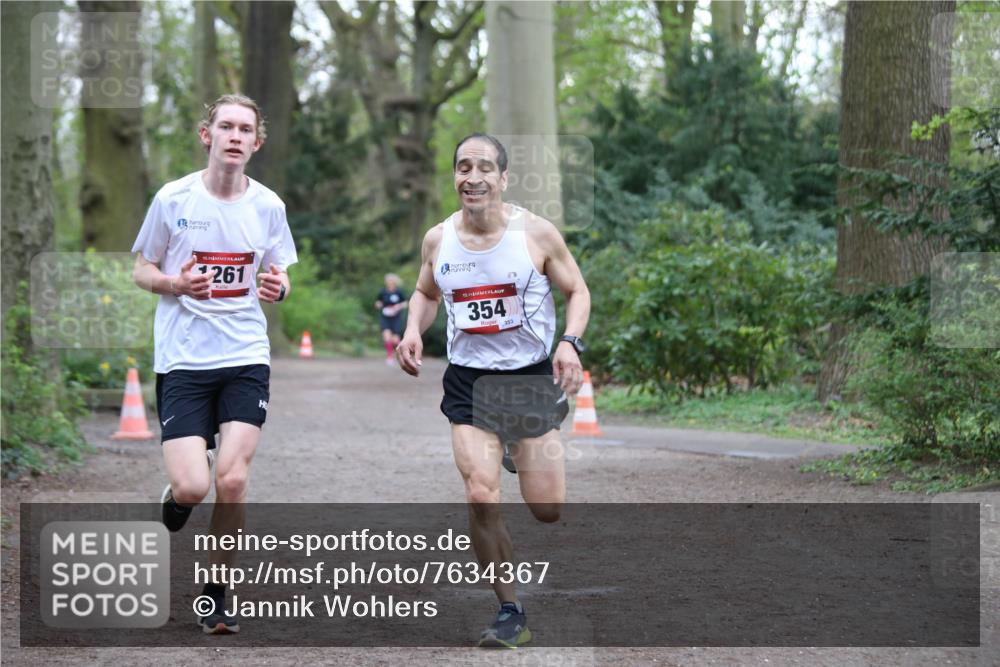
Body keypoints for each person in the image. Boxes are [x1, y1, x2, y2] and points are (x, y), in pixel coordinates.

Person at [396, 133, 590, 648]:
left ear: (503, 178)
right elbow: (424, 292)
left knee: (547, 508)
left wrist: (569, 343)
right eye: (464, 167)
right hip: (470, 382)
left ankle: (515, 447)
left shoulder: (536, 234)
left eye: (484, 167)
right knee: (481, 494)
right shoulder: (439, 239)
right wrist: (413, 329)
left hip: (528, 380)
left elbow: (577, 290)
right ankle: (510, 610)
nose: (473, 177)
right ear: (455, 177)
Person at [131, 93, 297, 635]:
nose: (234, 136)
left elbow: (280, 272)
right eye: (226, 126)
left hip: (245, 355)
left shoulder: (268, 206)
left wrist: (279, 286)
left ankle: (216, 593)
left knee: (233, 479)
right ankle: (179, 497)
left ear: (256, 142)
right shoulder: (173, 198)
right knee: (192, 487)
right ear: (208, 135)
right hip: (183, 358)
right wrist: (174, 283)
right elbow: (141, 269)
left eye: (245, 129)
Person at [375, 273, 408, 364]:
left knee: (395, 340)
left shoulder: (399, 292)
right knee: (387, 337)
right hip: (385, 317)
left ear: (394, 282)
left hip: (396, 318)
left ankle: (402, 354)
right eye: (388, 281)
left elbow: (405, 303)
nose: (389, 283)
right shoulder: (383, 292)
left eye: (391, 281)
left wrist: (398, 306)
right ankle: (390, 357)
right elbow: (378, 302)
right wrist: (378, 305)